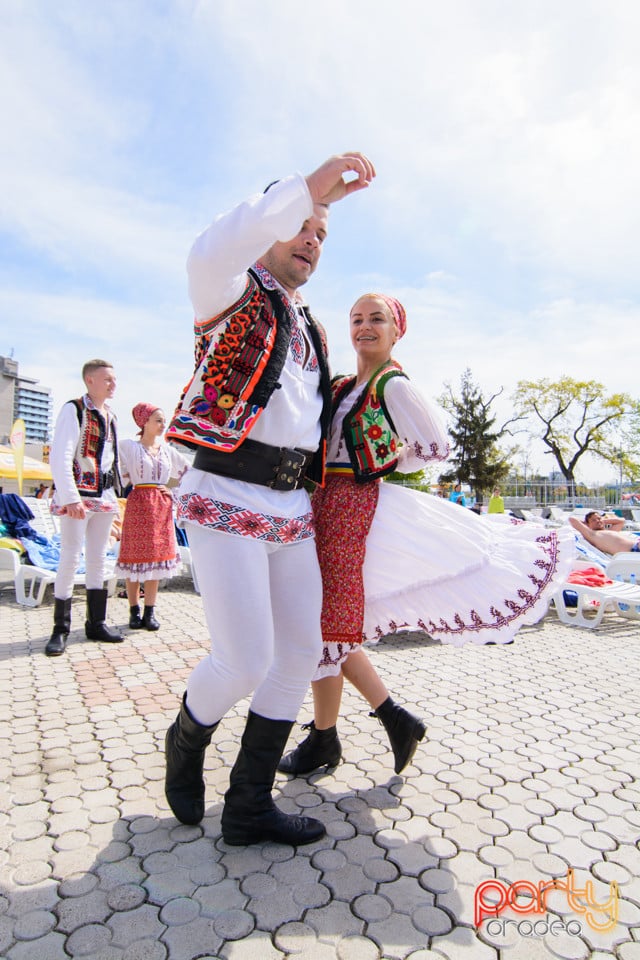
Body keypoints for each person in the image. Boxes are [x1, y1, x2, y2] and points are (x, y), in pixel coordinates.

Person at [163, 152, 376, 847]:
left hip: (292, 508)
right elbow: (210, 247)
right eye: (301, 225)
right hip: (225, 491)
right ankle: (187, 738)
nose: (313, 239)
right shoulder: (227, 291)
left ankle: (250, 805)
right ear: (269, 226)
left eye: (321, 233)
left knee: (299, 654)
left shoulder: (310, 328)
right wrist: (310, 191)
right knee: (244, 659)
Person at [279, 293, 576, 778]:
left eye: (377, 319)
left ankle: (334, 736)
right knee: (327, 625)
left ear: (397, 331)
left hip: (354, 508)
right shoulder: (344, 384)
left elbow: (434, 444)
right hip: (323, 504)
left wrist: (379, 462)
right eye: (357, 320)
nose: (364, 327)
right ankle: (379, 722)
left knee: (327, 625)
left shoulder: (392, 384)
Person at [45, 359, 124, 657]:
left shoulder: (111, 416)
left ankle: (96, 623)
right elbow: (61, 456)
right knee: (69, 555)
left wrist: (115, 496)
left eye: (114, 379)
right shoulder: (74, 409)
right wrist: (70, 497)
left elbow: (111, 461)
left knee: (97, 557)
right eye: (107, 379)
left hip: (103, 496)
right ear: (90, 380)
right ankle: (60, 628)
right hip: (79, 495)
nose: (113, 384)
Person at [115, 404, 190, 630]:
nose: (162, 424)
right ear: (144, 422)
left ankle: (150, 611)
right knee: (134, 557)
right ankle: (133, 610)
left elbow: (190, 472)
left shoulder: (168, 450)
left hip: (161, 506)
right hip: (138, 502)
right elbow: (114, 469)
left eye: (162, 420)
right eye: (157, 420)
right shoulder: (128, 446)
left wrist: (174, 493)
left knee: (156, 558)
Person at [569, 512, 640, 555]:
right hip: (633, 551)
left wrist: (602, 521)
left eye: (599, 518)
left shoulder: (611, 531)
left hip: (637, 546)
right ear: (587, 524)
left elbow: (621, 521)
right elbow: (572, 519)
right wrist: (586, 524)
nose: (597, 521)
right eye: (593, 520)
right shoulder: (592, 535)